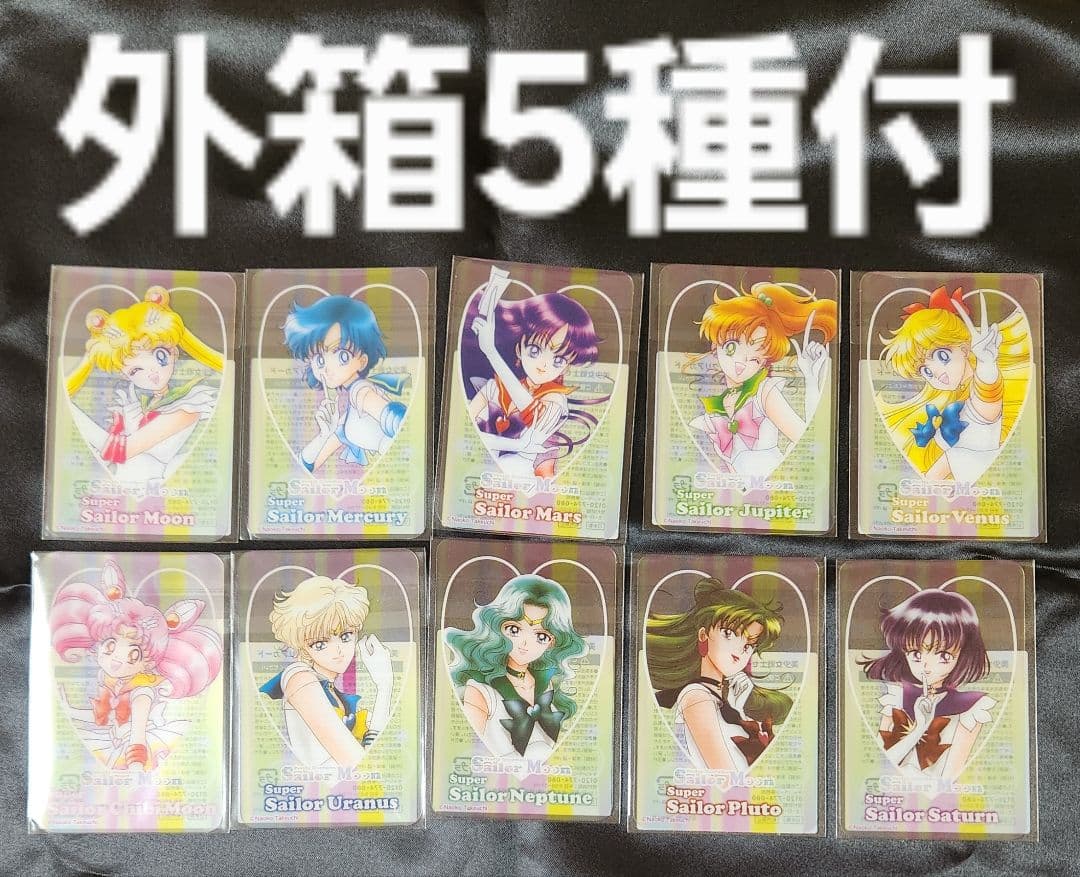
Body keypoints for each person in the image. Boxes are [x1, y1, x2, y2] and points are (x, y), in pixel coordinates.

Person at [49, 560, 223, 770]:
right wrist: (70, 710)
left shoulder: (141, 691)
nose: (117, 660)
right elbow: (105, 718)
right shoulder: (110, 682)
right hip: (117, 744)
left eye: (133, 655)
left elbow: (137, 735)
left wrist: (136, 769)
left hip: (137, 752)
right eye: (110, 646)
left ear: (148, 662)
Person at [64, 287, 221, 483]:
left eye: (159, 356)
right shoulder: (140, 404)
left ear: (174, 352)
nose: (151, 373)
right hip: (120, 486)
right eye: (135, 371)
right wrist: (128, 426)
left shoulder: (189, 406)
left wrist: (68, 409)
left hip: (152, 483)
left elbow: (122, 450)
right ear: (125, 375)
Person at [463, 266, 604, 478]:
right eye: (535, 350)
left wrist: (491, 352)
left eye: (558, 360)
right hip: (481, 472)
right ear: (520, 348)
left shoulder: (555, 401)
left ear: (567, 365)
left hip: (520, 477)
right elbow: (467, 427)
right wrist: (515, 444)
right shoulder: (494, 388)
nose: (543, 365)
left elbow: (531, 413)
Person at [878, 286, 1030, 481]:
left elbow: (987, 404)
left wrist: (986, 365)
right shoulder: (955, 402)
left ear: (964, 349)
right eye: (926, 371)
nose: (936, 373)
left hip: (985, 471)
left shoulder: (978, 390)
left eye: (942, 356)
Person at [687, 283, 836, 477]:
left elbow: (807, 436)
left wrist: (811, 379)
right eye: (732, 347)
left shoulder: (764, 393)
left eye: (755, 359)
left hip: (775, 486)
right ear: (716, 345)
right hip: (737, 492)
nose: (741, 363)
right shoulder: (721, 403)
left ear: (763, 364)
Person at [647, 576, 792, 771]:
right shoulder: (697, 697)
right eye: (729, 634)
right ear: (703, 635)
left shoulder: (717, 698)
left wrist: (737, 708)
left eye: (749, 645)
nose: (740, 650)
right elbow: (726, 774)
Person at [445, 574, 586, 761]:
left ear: (553, 642)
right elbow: (470, 752)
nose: (525, 644)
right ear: (498, 627)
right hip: (494, 776)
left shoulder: (547, 684)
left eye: (541, 636)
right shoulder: (481, 690)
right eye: (514, 630)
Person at [260, 574, 394, 767]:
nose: (338, 651)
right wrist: (385, 686)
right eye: (320, 643)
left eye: (346, 636)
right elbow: (361, 764)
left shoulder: (333, 692)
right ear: (302, 646)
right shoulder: (300, 678)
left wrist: (385, 684)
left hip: (341, 786)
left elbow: (374, 757)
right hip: (314, 786)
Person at [859, 589, 995, 779]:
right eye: (916, 653)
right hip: (889, 791)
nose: (926, 666)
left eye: (943, 656)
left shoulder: (970, 707)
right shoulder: (897, 696)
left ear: (963, 654)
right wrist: (919, 729)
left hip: (934, 795)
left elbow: (951, 776)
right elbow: (880, 764)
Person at [283, 295, 407, 471]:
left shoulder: (361, 392)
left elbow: (397, 420)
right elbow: (307, 466)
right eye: (319, 359)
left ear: (362, 361)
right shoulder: (346, 417)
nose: (327, 368)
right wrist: (325, 434)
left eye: (342, 356)